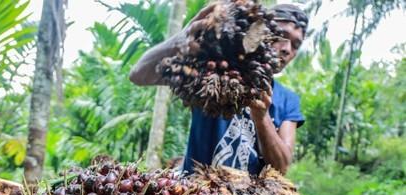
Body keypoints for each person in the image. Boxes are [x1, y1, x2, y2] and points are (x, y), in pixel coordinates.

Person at [129, 3, 309, 175]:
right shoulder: (213, 69)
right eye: (282, 35)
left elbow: (281, 167)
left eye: (295, 45)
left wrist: (261, 118)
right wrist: (181, 39)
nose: (286, 49)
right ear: (261, 29)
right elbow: (138, 75)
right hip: (195, 194)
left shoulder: (288, 100)